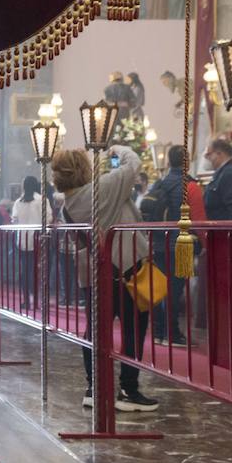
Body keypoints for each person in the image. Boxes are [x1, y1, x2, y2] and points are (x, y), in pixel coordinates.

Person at [54, 144, 159, 411]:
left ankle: (94, 387)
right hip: (127, 269)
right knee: (133, 329)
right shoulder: (101, 188)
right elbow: (133, 163)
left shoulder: (67, 203)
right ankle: (129, 389)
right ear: (84, 169)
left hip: (95, 275)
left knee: (94, 332)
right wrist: (117, 148)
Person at [140, 145, 206, 345]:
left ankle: (159, 332)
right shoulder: (191, 187)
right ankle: (173, 333)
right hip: (183, 244)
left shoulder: (158, 184)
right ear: (187, 161)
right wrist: (204, 243)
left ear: (168, 162)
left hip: (159, 243)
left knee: (161, 287)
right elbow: (199, 219)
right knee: (176, 289)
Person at [10, 175, 45, 311]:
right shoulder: (42, 200)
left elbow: (14, 220)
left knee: (25, 271)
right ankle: (38, 299)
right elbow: (47, 218)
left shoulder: (18, 202)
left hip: (23, 241)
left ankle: (26, 299)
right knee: (39, 271)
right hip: (38, 240)